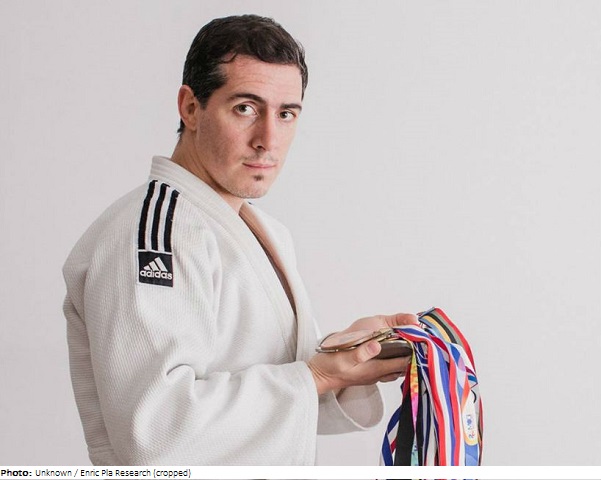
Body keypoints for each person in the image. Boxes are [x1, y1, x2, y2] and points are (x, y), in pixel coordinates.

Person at [62, 14, 417, 465]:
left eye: (286, 114)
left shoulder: (264, 231)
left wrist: (344, 357)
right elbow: (153, 433)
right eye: (246, 108)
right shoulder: (153, 232)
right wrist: (314, 377)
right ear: (191, 108)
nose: (268, 140)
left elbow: (281, 404)